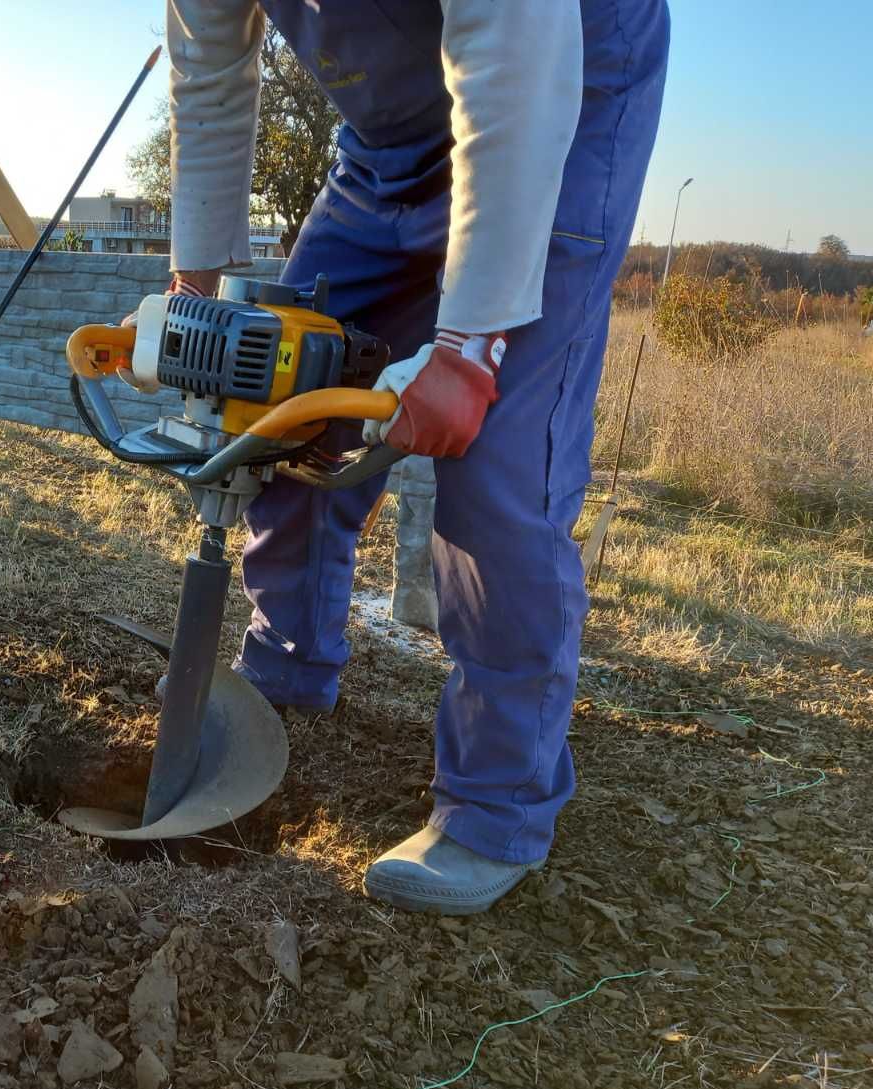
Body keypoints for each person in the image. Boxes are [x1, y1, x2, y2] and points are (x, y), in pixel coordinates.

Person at [165, 0, 669, 913]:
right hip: (387, 141)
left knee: (493, 465)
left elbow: (511, 60)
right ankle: (286, 664)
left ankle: (494, 807)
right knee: (285, 393)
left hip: (556, 87)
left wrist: (469, 348)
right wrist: (193, 302)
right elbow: (207, 76)